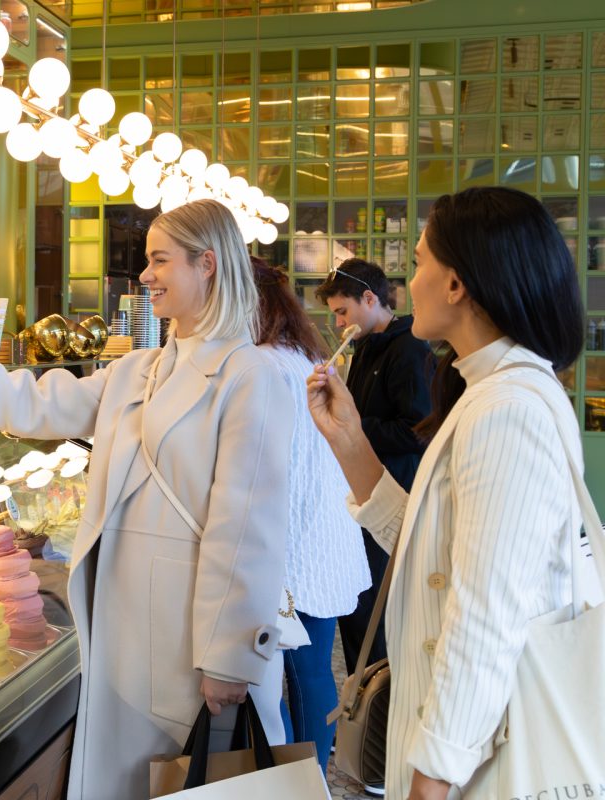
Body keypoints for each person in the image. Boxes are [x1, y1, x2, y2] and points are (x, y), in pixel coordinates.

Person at [0, 199, 292, 799]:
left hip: (188, 635)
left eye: (159, 261)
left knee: (190, 779)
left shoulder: (251, 374)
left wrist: (229, 655)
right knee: (126, 778)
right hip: (119, 621)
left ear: (208, 265)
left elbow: (247, 526)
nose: (144, 277)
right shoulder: (137, 369)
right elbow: (36, 406)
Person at [306, 186, 592, 800]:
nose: (408, 282)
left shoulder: (507, 406)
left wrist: (429, 781)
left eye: (418, 262)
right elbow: (433, 549)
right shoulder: (483, 391)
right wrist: (351, 440)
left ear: (457, 284)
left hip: (488, 762)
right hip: (473, 749)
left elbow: (484, 615)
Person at [251, 258, 370, 770]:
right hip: (324, 537)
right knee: (312, 671)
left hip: (297, 548)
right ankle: (312, 777)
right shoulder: (300, 354)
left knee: (292, 675)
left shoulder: (263, 365)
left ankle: (306, 779)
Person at [315, 258, 432, 704]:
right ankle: (362, 704)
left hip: (394, 498)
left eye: (343, 312)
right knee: (357, 611)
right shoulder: (363, 346)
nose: (339, 322)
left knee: (379, 618)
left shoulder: (411, 350)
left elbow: (417, 430)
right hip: (363, 498)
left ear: (370, 299)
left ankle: (381, 716)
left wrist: (355, 427)